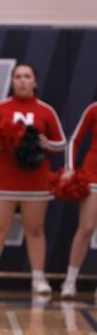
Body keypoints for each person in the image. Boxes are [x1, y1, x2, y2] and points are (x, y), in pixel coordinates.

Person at [0, 63, 65, 295]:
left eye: (27, 76)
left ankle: (39, 279)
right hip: (3, 181)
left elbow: (60, 144)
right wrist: (6, 139)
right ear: (12, 81)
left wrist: (44, 144)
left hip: (36, 182)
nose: (22, 80)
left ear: (35, 82)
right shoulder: (0, 109)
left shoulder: (45, 111)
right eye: (18, 76)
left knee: (36, 228)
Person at [60, 102, 97, 299]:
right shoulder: (94, 109)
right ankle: (70, 280)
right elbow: (75, 140)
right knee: (87, 228)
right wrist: (70, 168)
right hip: (93, 175)